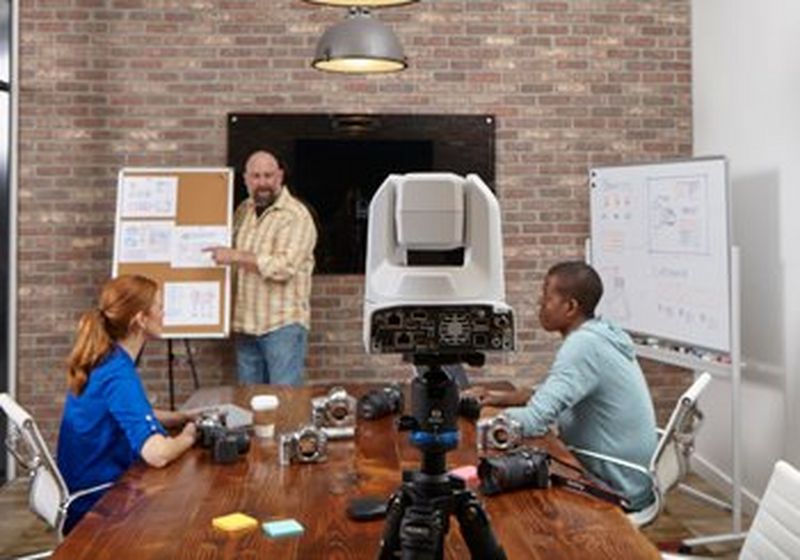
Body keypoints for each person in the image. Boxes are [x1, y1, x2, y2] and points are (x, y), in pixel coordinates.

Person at [465, 261, 658, 511]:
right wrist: (495, 398)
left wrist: (480, 425)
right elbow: (550, 393)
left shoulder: (583, 346)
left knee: (513, 505)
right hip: (630, 476)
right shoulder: (599, 334)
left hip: (614, 486)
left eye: (546, 298)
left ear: (570, 307)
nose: (540, 305)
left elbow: (534, 420)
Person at [57, 275, 197, 535]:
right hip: (99, 504)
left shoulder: (103, 356)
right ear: (140, 320)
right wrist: (190, 436)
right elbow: (158, 454)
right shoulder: (118, 374)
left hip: (82, 489)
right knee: (191, 507)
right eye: (159, 307)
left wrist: (181, 417)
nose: (164, 313)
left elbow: (123, 413)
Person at [205, 150, 317, 386]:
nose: (262, 182)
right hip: (245, 325)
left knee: (284, 405)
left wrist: (234, 256)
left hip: (281, 326)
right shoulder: (243, 211)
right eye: (256, 176)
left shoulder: (296, 216)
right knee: (250, 405)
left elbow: (283, 267)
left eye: (268, 175)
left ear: (280, 176)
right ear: (245, 178)